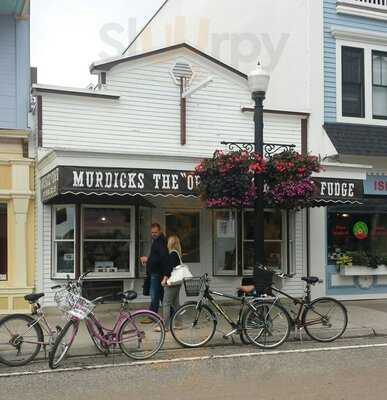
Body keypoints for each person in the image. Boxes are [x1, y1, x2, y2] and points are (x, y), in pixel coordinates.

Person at [140, 223, 168, 316]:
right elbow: (156, 257)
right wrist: (149, 260)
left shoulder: (160, 242)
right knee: (160, 295)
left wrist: (148, 259)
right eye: (152, 232)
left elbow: (162, 257)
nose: (153, 234)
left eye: (155, 232)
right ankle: (169, 314)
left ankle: (153, 315)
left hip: (157, 273)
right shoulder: (158, 241)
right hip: (157, 273)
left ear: (160, 231)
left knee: (155, 295)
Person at [160, 235, 183, 331]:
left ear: (171, 243)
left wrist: (164, 279)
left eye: (168, 241)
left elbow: (169, 268)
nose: (167, 243)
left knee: (166, 303)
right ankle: (179, 323)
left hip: (172, 282)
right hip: (178, 282)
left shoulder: (173, 254)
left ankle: (165, 326)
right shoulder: (177, 254)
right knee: (175, 303)